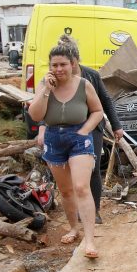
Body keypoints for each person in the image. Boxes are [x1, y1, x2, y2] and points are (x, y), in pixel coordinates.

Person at [27, 35, 104, 258]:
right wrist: (46, 90)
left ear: (72, 64)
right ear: (50, 67)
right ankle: (73, 228)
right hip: (53, 138)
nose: (59, 69)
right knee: (66, 190)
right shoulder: (44, 85)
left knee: (81, 187)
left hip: (79, 137)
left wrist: (85, 129)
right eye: (54, 65)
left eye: (63, 64)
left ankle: (89, 241)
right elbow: (35, 114)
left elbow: (98, 111)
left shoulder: (84, 84)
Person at [36, 37, 124, 224]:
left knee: (92, 171)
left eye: (68, 64)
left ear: (75, 61)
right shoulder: (50, 80)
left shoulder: (90, 77)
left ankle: (95, 210)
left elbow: (105, 101)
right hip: (62, 132)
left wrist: (116, 126)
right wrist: (42, 129)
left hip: (91, 129)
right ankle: (75, 212)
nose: (62, 69)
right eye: (56, 65)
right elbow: (50, 109)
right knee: (68, 176)